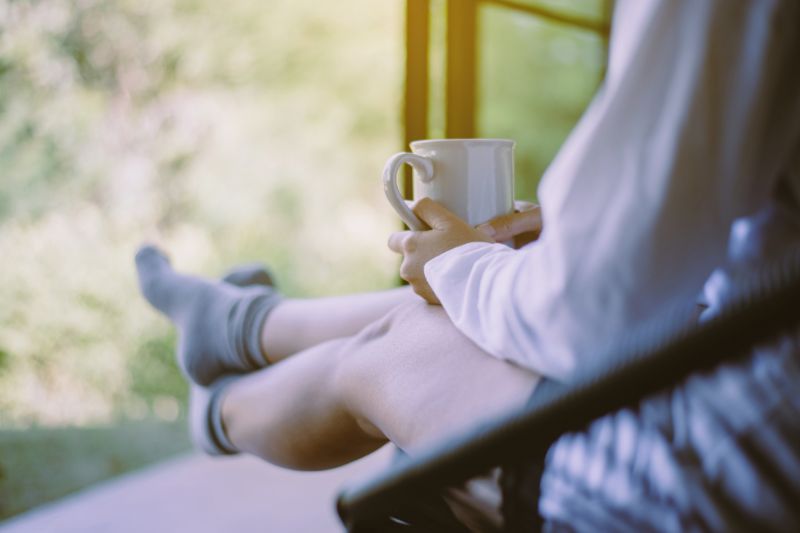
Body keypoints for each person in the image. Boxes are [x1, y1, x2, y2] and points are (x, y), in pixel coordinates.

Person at [135, 0, 800, 528]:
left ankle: (219, 403)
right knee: (452, 308)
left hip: (720, 478)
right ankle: (235, 325)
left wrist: (466, 266)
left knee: (395, 350)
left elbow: (587, 310)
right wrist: (501, 263)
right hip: (756, 405)